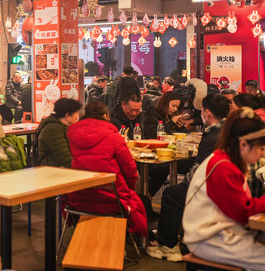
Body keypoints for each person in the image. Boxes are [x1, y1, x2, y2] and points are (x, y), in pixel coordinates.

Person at [147, 93, 230, 262]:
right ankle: (186, 235)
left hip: (213, 189)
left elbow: (200, 172)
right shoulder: (229, 130)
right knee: (174, 182)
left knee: (172, 194)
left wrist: (186, 184)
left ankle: (168, 246)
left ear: (207, 113)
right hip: (228, 185)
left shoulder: (213, 135)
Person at [181, 107, 265, 270]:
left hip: (220, 231)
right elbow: (243, 212)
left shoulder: (227, 159)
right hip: (207, 238)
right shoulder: (223, 167)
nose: (262, 154)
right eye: (261, 148)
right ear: (243, 144)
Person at [65, 101, 148, 237]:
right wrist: (130, 189)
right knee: (142, 201)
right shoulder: (114, 137)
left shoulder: (74, 135)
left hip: (79, 197)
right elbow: (130, 170)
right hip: (111, 200)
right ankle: (132, 238)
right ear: (105, 116)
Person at [38, 98, 81, 168]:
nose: (78, 117)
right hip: (53, 169)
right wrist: (82, 166)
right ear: (67, 116)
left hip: (63, 168)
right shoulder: (52, 129)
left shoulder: (66, 127)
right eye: (77, 114)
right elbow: (65, 158)